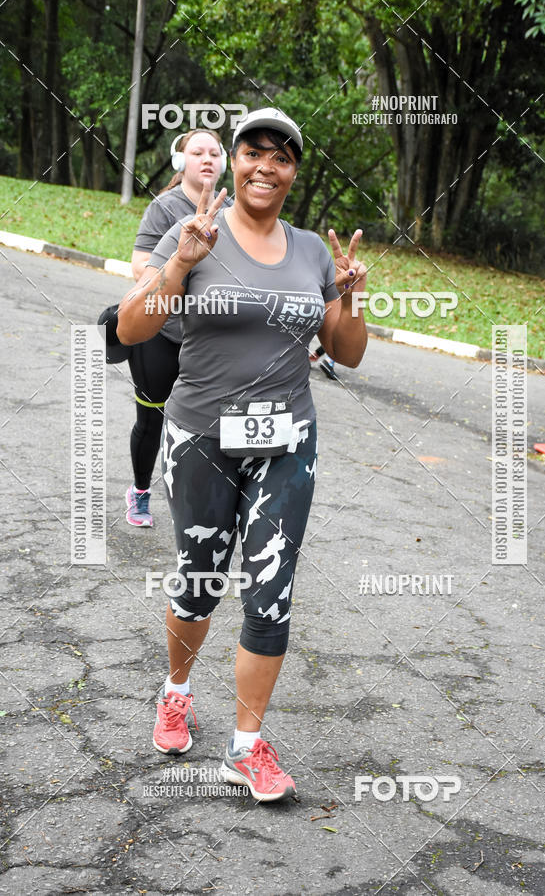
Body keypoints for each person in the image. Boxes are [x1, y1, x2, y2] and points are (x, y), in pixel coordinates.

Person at [117, 107, 368, 801]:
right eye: (253, 152)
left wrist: (348, 301)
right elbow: (135, 324)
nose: (266, 165)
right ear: (235, 160)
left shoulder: (313, 250)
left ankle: (246, 746)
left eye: (280, 156)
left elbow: (346, 353)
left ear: (293, 170)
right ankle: (176, 690)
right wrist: (180, 261)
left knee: (270, 591)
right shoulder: (191, 230)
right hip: (202, 435)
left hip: (287, 441)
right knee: (198, 582)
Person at [125, 129, 232, 527]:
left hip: (209, 339)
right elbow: (139, 266)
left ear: (224, 163)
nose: (207, 159)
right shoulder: (164, 208)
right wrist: (183, 269)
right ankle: (139, 492)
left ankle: (208, 505)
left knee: (212, 425)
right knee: (152, 420)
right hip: (161, 333)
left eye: (214, 153)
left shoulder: (235, 209)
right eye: (197, 152)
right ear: (180, 162)